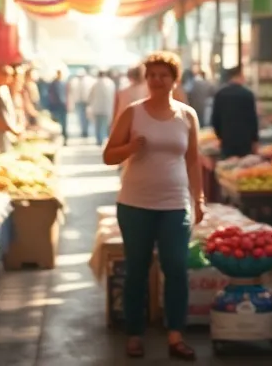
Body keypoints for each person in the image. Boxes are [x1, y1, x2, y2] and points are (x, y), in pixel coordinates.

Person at [103, 51, 205, 361]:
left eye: (163, 75)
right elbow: (109, 155)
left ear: (175, 80)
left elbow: (193, 161)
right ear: (146, 79)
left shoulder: (187, 116)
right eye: (152, 75)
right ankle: (135, 333)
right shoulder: (133, 113)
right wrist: (130, 148)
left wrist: (198, 199)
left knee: (175, 267)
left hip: (175, 204)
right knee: (137, 269)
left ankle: (175, 334)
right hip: (135, 204)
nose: (157, 81)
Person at [210, 66, 258, 158]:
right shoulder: (247, 94)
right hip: (245, 141)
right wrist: (254, 140)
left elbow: (215, 119)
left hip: (227, 141)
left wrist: (220, 136)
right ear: (240, 75)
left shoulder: (220, 94)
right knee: (243, 169)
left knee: (227, 168)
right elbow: (253, 120)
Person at [88, 69, 117, 145]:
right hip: (107, 107)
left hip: (97, 107)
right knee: (105, 124)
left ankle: (99, 140)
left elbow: (90, 96)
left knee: (98, 125)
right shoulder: (110, 83)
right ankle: (104, 139)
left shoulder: (95, 83)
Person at [69, 69, 92, 139]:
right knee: (80, 118)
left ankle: (86, 131)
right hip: (78, 102)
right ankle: (83, 131)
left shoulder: (89, 81)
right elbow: (72, 93)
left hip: (86, 102)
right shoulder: (74, 81)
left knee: (87, 118)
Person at [48, 69, 69, 144]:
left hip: (62, 106)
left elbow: (67, 94)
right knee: (58, 123)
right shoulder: (54, 84)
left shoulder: (63, 83)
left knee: (63, 123)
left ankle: (64, 138)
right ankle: (60, 139)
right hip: (56, 106)